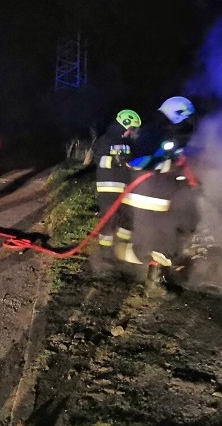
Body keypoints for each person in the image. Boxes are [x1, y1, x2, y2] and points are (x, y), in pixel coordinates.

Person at [113, 96, 199, 296]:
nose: (189, 128)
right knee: (166, 239)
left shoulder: (154, 133)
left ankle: (147, 272)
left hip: (146, 197)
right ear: (179, 118)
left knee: (158, 238)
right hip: (153, 197)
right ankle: (154, 284)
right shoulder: (160, 137)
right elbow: (143, 163)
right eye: (187, 122)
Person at [89, 109, 141, 272]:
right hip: (109, 187)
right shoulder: (106, 140)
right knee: (109, 220)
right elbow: (100, 160)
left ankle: (122, 251)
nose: (132, 132)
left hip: (127, 188)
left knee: (128, 218)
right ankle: (105, 255)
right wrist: (115, 160)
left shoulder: (128, 142)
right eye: (131, 128)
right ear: (124, 124)